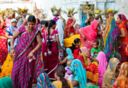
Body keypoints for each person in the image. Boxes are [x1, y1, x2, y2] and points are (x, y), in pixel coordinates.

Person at [11, 15, 43, 88]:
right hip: (19, 54)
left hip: (28, 56)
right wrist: (12, 48)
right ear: (27, 23)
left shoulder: (36, 31)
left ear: (35, 23)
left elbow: (40, 43)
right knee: (15, 72)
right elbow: (13, 37)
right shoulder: (22, 28)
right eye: (29, 24)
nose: (31, 26)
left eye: (32, 24)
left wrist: (32, 51)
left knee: (27, 73)